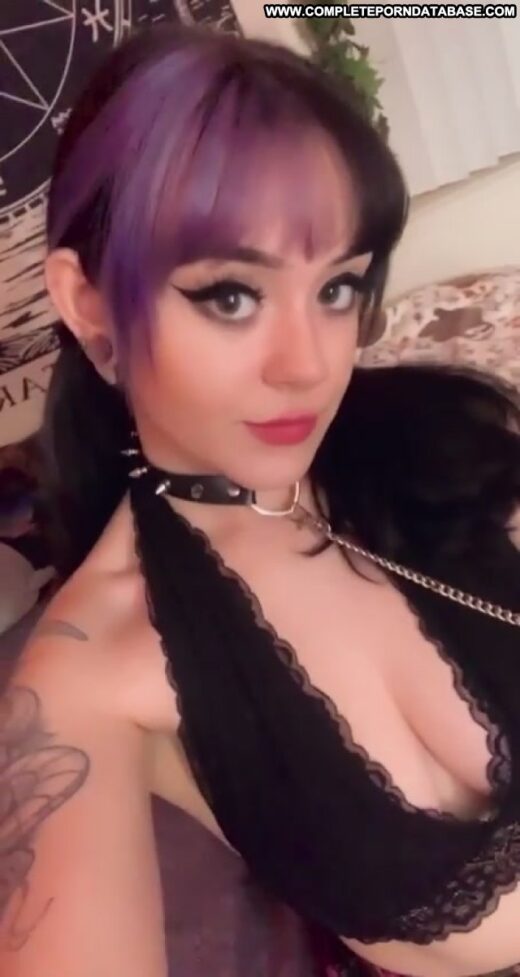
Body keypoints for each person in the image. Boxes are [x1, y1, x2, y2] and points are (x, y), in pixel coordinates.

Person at [1, 20, 519, 977]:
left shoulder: (439, 440)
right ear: (90, 304)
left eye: (338, 288)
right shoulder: (88, 673)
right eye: (232, 296)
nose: (309, 365)